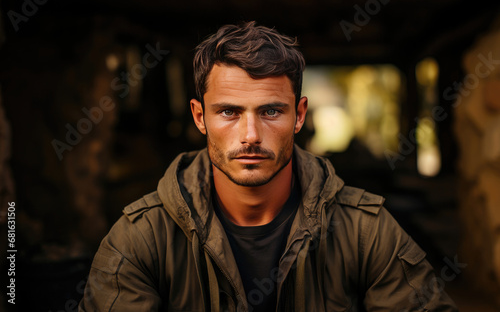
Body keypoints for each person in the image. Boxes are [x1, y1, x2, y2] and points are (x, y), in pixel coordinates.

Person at [79, 21, 458, 311]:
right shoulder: (140, 238)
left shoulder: (367, 232)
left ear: (299, 115)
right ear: (199, 117)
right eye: (228, 111)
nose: (250, 135)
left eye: (271, 111)